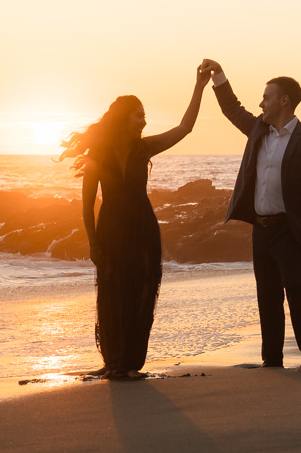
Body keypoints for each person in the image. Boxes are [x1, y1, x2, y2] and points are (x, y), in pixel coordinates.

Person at [62, 64, 212, 380]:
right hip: (112, 230)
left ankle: (130, 363)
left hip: (143, 228)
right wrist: (92, 241)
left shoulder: (144, 147)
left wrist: (198, 86)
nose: (144, 121)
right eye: (138, 115)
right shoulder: (98, 155)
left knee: (142, 290)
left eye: (144, 115)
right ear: (122, 118)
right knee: (112, 292)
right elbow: (87, 204)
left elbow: (185, 127)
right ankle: (114, 361)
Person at [202, 60, 301, 370]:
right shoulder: (257, 129)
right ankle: (272, 358)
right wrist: (218, 75)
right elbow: (232, 109)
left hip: (290, 228)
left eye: (266, 97)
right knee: (267, 295)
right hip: (260, 228)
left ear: (284, 100)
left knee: (295, 289)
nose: (261, 102)